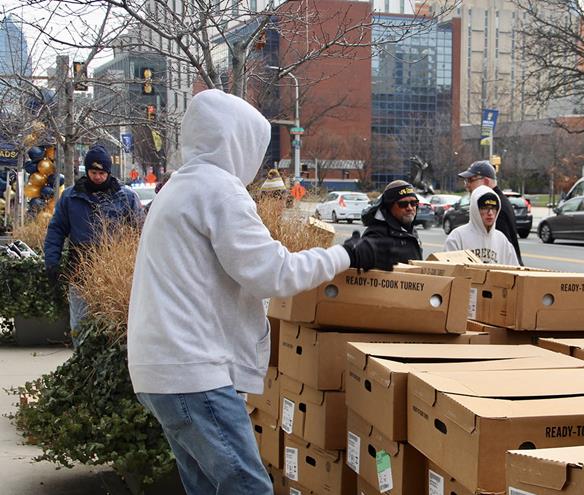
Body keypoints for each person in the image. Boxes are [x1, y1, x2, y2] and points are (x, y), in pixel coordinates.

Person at [126, 89, 392, 495]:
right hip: (192, 371)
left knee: (207, 488)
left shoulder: (178, 188)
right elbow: (274, 273)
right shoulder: (218, 189)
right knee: (248, 488)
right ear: (237, 140)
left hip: (162, 370)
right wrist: (346, 254)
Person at [44, 144, 143, 347]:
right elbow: (56, 230)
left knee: (114, 327)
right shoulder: (70, 198)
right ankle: (82, 363)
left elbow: (140, 233)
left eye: (102, 173)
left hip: (116, 273)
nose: (97, 177)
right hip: (80, 270)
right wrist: (52, 261)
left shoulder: (127, 197)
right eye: (93, 172)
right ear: (87, 170)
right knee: (80, 325)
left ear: (108, 172)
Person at [457, 160, 522, 265]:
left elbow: (498, 250)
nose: (467, 185)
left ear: (486, 182)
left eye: (471, 180)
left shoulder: (499, 207)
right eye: (466, 181)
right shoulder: (457, 237)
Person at [444, 185, 517, 265]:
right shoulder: (457, 237)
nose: (490, 213)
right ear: (475, 209)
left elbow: (514, 270)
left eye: (493, 208)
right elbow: (448, 271)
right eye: (485, 208)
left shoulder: (502, 241)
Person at [361, 180, 423, 264]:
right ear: (389, 206)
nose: (410, 208)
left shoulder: (410, 230)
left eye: (413, 203)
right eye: (403, 204)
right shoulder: (375, 236)